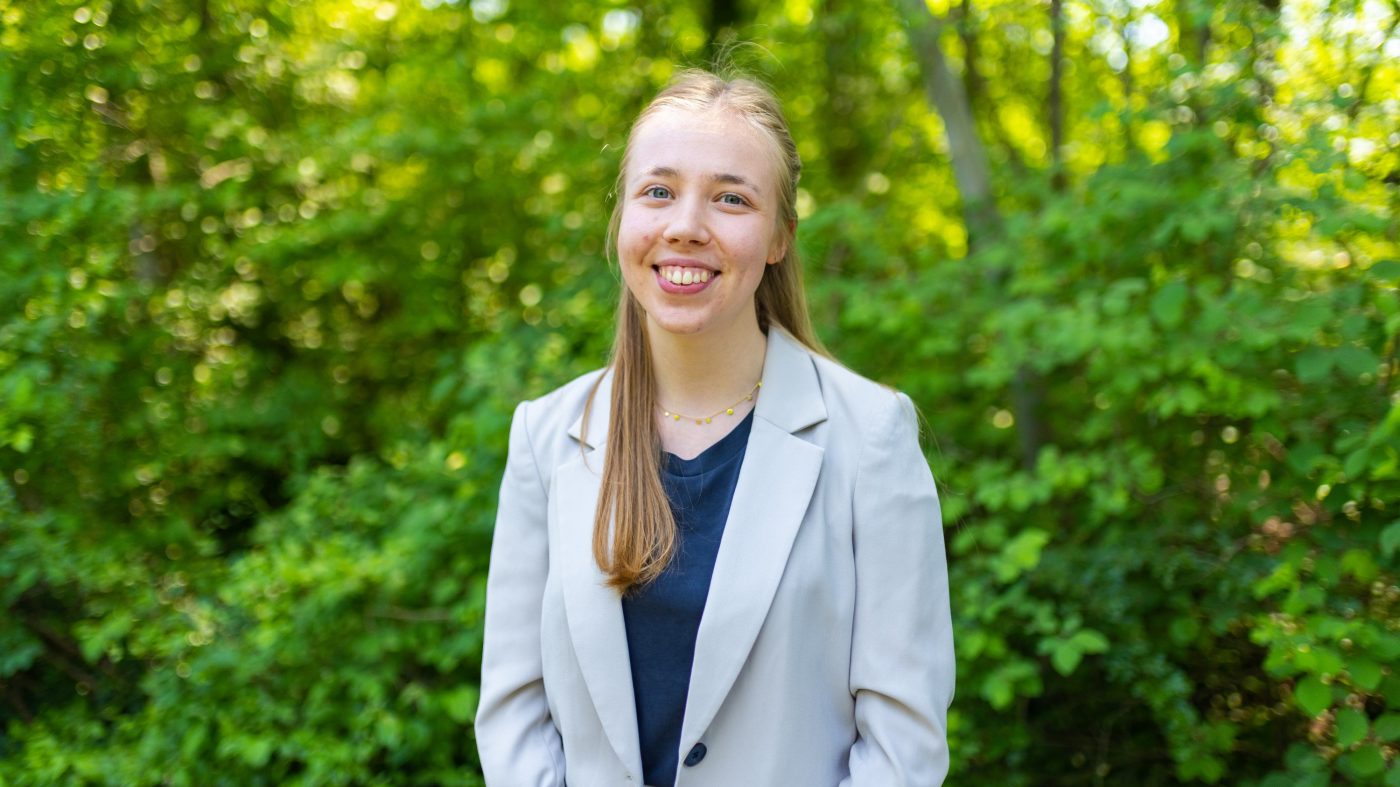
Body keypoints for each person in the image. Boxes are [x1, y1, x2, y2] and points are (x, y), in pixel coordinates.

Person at [474, 68, 954, 786]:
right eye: (658, 191)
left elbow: (902, 744)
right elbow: (514, 718)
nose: (686, 226)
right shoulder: (546, 438)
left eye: (731, 198)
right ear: (624, 217)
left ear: (778, 238)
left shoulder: (871, 438)